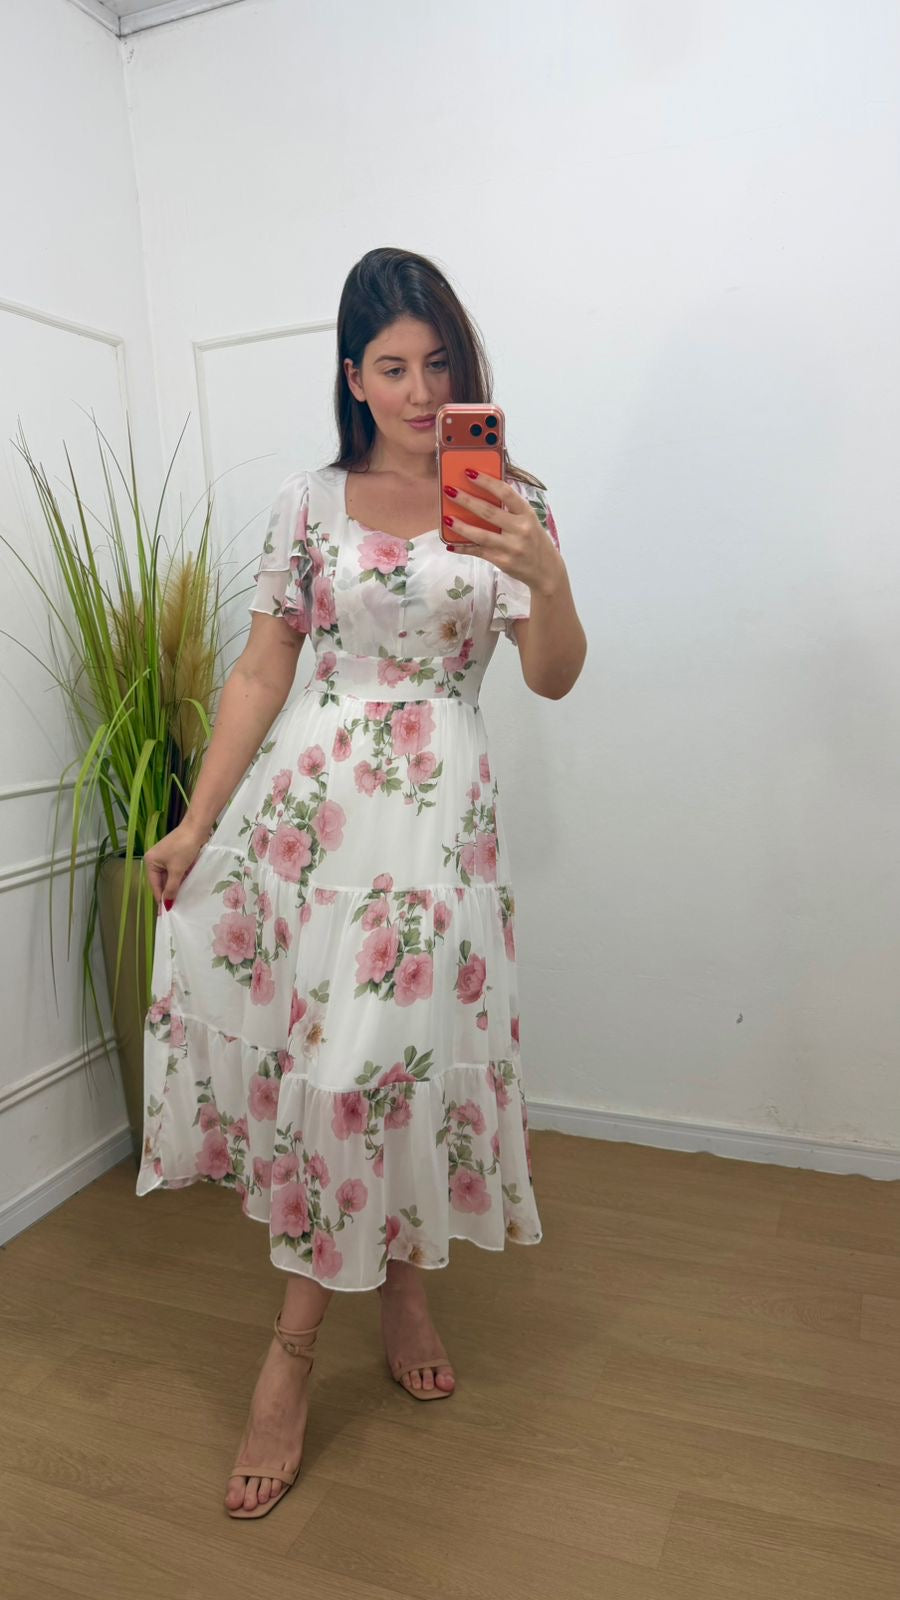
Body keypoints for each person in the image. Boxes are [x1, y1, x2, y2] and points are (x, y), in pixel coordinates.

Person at [138, 246, 587, 1519]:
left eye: (439, 362)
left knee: (380, 1058)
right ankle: (393, 1285)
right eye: (393, 366)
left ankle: (297, 1351)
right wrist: (197, 819)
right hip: (314, 821)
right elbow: (260, 671)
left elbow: (552, 675)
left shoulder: (509, 503)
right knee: (339, 1060)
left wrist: (548, 576)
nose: (421, 389)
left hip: (437, 824)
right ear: (352, 376)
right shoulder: (309, 504)